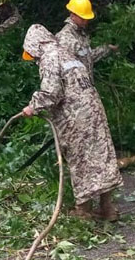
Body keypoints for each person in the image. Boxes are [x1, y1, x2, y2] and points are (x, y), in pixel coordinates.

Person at [21, 24, 123, 221]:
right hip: (94, 110)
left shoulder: (50, 57)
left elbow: (52, 93)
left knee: (81, 160)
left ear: (34, 45)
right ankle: (107, 209)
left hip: (75, 117)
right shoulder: (66, 53)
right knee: (102, 156)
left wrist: (33, 107)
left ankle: (83, 211)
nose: (33, 59)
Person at [56, 0, 117, 81]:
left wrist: (107, 48)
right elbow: (62, 70)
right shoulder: (65, 37)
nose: (86, 21)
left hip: (85, 88)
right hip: (75, 91)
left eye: (86, 18)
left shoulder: (81, 34)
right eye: (82, 18)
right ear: (73, 15)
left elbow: (88, 57)